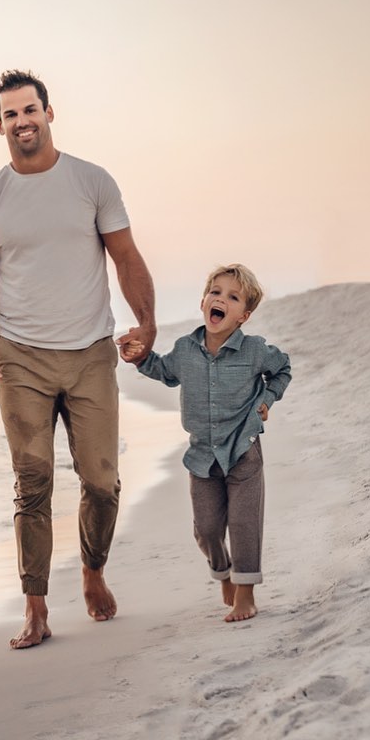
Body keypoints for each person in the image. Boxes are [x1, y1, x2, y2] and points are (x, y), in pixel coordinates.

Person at [0, 69, 156, 649]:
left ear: (49, 112)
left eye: (30, 110)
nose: (22, 121)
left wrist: (145, 322)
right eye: (11, 114)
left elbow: (125, 256)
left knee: (101, 479)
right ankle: (36, 605)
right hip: (20, 357)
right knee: (33, 480)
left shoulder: (91, 182)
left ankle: (92, 568)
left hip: (91, 351)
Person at [120, 263, 291, 622]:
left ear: (243, 316)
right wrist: (140, 357)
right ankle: (223, 570)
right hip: (201, 456)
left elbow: (283, 368)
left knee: (244, 524)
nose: (221, 300)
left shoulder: (255, 351)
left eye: (232, 297)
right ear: (202, 302)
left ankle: (246, 594)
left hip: (244, 450)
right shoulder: (185, 350)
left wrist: (268, 398)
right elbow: (164, 372)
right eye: (215, 292)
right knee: (207, 529)